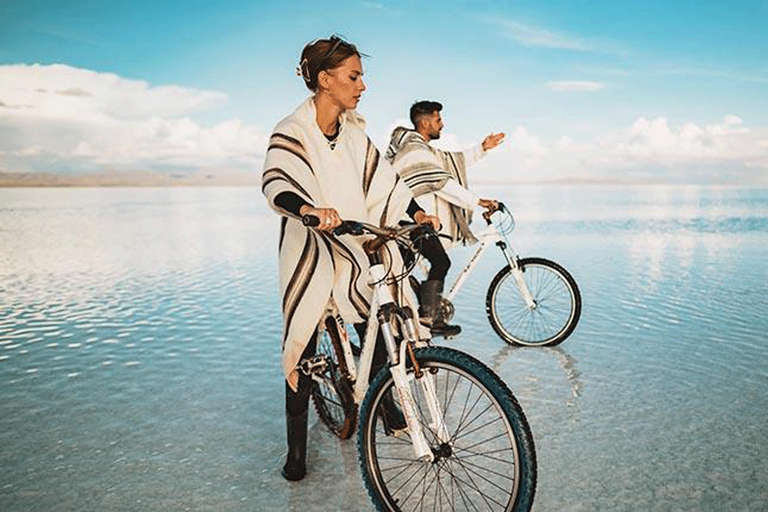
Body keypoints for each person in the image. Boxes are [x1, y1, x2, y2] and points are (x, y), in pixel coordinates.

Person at [261, 36, 439, 482]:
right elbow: (277, 180)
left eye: (361, 76)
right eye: (354, 76)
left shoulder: (356, 134)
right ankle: (296, 452)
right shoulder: (292, 130)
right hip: (312, 247)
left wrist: (414, 211)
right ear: (325, 80)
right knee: (302, 343)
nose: (363, 86)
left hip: (355, 246)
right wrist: (307, 209)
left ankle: (385, 405)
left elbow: (386, 183)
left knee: (374, 323)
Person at [385, 101, 504, 331]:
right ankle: (429, 317)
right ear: (426, 122)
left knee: (404, 269)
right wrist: (476, 201)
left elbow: (452, 162)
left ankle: (419, 309)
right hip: (412, 220)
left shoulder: (424, 149)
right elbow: (441, 182)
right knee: (440, 262)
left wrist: (483, 147)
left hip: (415, 219)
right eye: (438, 120)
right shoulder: (415, 150)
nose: (442, 124)